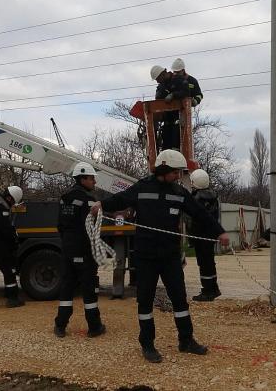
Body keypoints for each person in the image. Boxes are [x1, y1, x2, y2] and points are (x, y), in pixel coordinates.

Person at [89, 149, 230, 364]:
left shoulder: (179, 192)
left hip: (170, 256)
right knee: (145, 301)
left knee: (179, 299)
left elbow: (200, 213)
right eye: (176, 172)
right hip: (145, 257)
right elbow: (120, 199)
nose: (179, 176)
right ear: (164, 169)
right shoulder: (142, 188)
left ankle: (186, 340)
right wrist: (102, 205)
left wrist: (219, 231)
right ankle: (147, 343)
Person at [54, 162, 106, 339]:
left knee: (67, 288)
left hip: (68, 248)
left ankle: (60, 326)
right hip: (84, 249)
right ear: (82, 178)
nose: (94, 182)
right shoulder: (89, 200)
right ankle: (94, 326)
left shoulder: (64, 198)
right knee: (89, 289)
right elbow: (94, 228)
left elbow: (60, 225)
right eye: (92, 178)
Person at [189, 169, 222, 301]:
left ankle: (208, 291)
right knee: (209, 262)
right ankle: (214, 288)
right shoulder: (213, 197)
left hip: (200, 236)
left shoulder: (196, 199)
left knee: (204, 264)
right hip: (210, 235)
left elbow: (195, 218)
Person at [152, 64, 190, 151]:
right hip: (167, 123)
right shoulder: (162, 86)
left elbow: (186, 92)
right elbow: (158, 100)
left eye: (158, 79)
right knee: (166, 150)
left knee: (176, 149)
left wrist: (173, 95)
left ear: (163, 74)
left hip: (179, 121)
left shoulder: (179, 80)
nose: (157, 82)